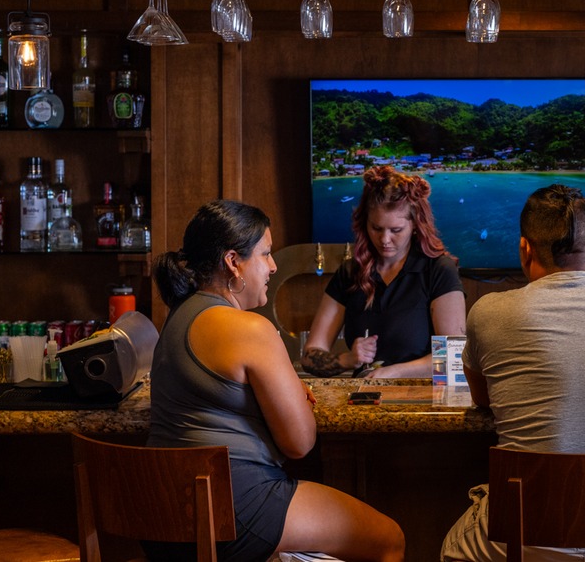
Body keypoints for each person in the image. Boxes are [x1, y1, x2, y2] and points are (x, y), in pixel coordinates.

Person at [148, 199, 405, 562]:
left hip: (162, 514)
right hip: (230, 511)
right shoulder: (250, 328)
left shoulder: (176, 318)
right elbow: (300, 443)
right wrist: (296, 399)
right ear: (233, 262)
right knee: (388, 539)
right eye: (266, 254)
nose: (272, 266)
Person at [441, 185, 585, 562]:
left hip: (527, 543)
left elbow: (483, 398)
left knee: (452, 547)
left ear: (525, 248)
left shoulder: (489, 312)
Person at [302, 165, 466, 378]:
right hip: (364, 400)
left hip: (422, 401)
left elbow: (455, 359)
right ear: (364, 224)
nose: (385, 240)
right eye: (376, 228)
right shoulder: (350, 273)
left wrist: (392, 373)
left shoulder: (439, 270)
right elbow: (309, 357)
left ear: (415, 225)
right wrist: (347, 359)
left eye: (396, 230)